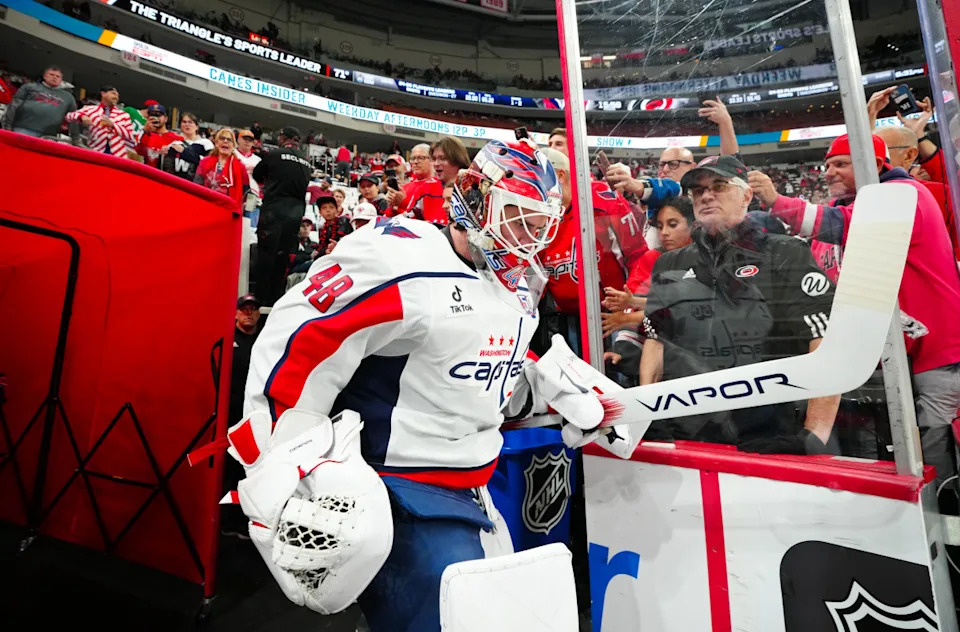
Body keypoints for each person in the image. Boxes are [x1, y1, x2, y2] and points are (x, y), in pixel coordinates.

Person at [231, 136, 607, 630]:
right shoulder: (400, 260)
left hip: (475, 484)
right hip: (399, 487)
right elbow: (300, 339)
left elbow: (480, 379)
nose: (533, 235)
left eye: (542, 223)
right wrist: (282, 459)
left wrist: (549, 392)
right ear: (477, 197)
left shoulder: (518, 283)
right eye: (520, 216)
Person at [749, 134, 960, 483]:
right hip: (901, 357)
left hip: (939, 354)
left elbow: (842, 226)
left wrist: (775, 200)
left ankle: (945, 524)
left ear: (874, 166)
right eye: (828, 165)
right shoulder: (862, 203)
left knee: (933, 448)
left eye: (841, 164)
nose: (829, 172)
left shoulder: (906, 194)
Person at [639, 155, 841, 452]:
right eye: (698, 190)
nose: (706, 195)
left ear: (747, 195)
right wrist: (646, 411)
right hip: (687, 429)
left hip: (769, 432)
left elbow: (824, 339)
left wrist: (814, 436)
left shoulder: (785, 252)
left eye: (719, 186)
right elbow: (656, 340)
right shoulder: (670, 263)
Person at [252, 126, 312, 306]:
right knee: (283, 257)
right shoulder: (306, 161)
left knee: (266, 255)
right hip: (295, 214)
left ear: (283, 138)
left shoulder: (274, 154)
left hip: (274, 209)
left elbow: (257, 175)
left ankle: (260, 300)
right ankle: (276, 299)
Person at [222, 294, 261, 539]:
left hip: (255, 417)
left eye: (253, 309)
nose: (248, 313)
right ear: (236, 313)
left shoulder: (263, 342)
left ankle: (248, 519)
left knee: (252, 470)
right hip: (231, 417)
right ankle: (229, 521)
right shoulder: (228, 340)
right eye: (243, 309)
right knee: (230, 471)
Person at [2, 66, 76, 138]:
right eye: (51, 74)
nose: (54, 77)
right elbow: (13, 106)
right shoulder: (29, 87)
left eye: (57, 76)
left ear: (61, 79)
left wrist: (75, 137)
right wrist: (7, 126)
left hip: (49, 135)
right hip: (23, 129)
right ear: (44, 76)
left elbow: (74, 117)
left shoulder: (68, 97)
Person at [64, 85, 134, 158]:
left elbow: (130, 136)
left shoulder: (124, 115)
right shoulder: (90, 109)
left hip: (117, 155)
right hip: (95, 152)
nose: (116, 97)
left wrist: (113, 125)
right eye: (113, 93)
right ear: (103, 94)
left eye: (117, 95)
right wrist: (81, 116)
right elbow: (69, 116)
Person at [386, 143, 445, 224]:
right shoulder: (404, 187)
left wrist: (403, 203)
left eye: (421, 158)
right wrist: (392, 207)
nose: (415, 162)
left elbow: (432, 223)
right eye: (413, 158)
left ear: (432, 160)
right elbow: (389, 218)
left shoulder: (438, 185)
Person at [194, 128, 250, 209]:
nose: (225, 141)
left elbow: (246, 192)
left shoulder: (241, 167)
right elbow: (196, 186)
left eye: (229, 140)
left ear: (233, 145)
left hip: (228, 211)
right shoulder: (204, 162)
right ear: (216, 143)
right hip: (205, 207)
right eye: (222, 138)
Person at [165, 112, 213, 180]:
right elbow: (167, 165)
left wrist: (184, 152)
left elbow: (209, 163)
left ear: (197, 126)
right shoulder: (173, 142)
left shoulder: (206, 143)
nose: (187, 125)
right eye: (184, 122)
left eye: (190, 122)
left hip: (196, 183)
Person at [136, 103, 183, 169]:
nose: (155, 118)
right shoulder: (143, 134)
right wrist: (145, 131)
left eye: (158, 115)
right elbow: (137, 152)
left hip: (163, 175)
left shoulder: (176, 138)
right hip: (145, 173)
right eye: (152, 115)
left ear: (166, 119)